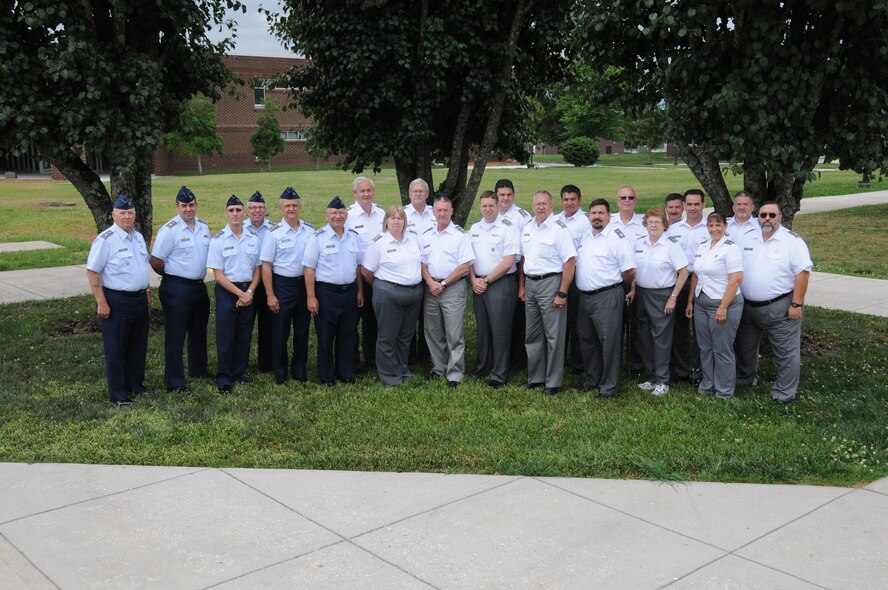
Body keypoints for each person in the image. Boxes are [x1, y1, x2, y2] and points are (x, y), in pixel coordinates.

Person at [734, 202, 813, 403]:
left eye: (771, 215)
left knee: (786, 352)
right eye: (762, 215)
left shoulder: (792, 241)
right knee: (745, 347)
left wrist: (796, 304)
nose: (767, 218)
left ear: (779, 217)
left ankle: (784, 392)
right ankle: (746, 378)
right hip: (748, 306)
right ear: (757, 217)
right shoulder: (749, 237)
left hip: (779, 306)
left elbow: (803, 274)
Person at [86, 195, 151, 407]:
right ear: (113, 215)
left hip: (140, 299)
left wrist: (147, 292)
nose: (127, 216)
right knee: (117, 348)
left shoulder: (138, 237)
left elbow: (141, 267)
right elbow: (93, 273)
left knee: (137, 346)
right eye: (122, 213)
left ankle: (136, 385)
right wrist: (101, 302)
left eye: (130, 212)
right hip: (117, 301)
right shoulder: (106, 240)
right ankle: (118, 393)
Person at [150, 186, 211, 393]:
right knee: (176, 335)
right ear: (177, 206)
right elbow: (156, 260)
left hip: (198, 287)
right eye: (184, 206)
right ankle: (174, 381)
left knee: (198, 331)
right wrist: (173, 275)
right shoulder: (169, 230)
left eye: (191, 205)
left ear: (196, 205)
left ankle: (199, 370)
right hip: (177, 287)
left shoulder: (203, 227)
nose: (188, 209)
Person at [574, 198, 636, 398]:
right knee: (588, 341)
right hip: (585, 297)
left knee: (609, 343)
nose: (597, 217)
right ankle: (593, 379)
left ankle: (608, 386)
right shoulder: (586, 236)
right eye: (593, 213)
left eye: (601, 213)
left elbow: (629, 270)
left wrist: (619, 288)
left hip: (608, 296)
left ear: (609, 216)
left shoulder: (617, 238)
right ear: (589, 216)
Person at [519, 190, 577, 396]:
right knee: (532, 334)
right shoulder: (527, 228)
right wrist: (523, 286)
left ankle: (553, 382)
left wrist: (562, 292)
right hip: (531, 284)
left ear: (552, 207)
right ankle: (536, 377)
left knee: (554, 335)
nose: (541, 207)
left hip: (551, 283)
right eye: (537, 204)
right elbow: (525, 260)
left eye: (545, 204)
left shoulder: (559, 230)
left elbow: (570, 262)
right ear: (532, 206)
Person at [303, 196, 364, 385]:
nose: (337, 216)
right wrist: (311, 297)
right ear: (327, 215)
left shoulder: (353, 236)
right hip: (326, 292)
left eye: (341, 213)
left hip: (349, 292)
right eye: (334, 213)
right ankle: (326, 375)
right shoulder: (317, 237)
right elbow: (309, 269)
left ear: (346, 216)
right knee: (325, 335)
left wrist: (360, 291)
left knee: (347, 334)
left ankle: (345, 373)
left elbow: (358, 267)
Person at [628, 208, 688, 396]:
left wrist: (673, 297)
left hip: (662, 295)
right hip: (642, 294)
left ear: (664, 225)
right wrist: (632, 289)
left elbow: (684, 272)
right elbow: (634, 270)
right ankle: (652, 376)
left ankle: (663, 380)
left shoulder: (671, 246)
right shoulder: (639, 243)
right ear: (645, 224)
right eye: (650, 222)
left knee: (661, 339)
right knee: (644, 336)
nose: (653, 225)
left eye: (657, 222)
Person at [361, 206, 424, 385]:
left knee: (406, 336)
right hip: (389, 294)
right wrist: (383, 286)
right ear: (386, 222)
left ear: (405, 221)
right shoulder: (378, 243)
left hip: (413, 293)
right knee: (388, 336)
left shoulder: (413, 239)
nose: (396, 221)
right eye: (392, 218)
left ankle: (402, 368)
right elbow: (366, 271)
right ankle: (389, 376)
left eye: (400, 218)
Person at [685, 212, 744, 399]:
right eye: (711, 225)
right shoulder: (703, 247)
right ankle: (707, 384)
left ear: (725, 227)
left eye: (718, 225)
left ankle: (724, 390)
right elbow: (695, 275)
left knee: (722, 348)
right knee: (705, 347)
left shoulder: (731, 248)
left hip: (723, 303)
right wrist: (690, 301)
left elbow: (736, 279)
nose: (714, 229)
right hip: (702, 303)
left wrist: (724, 306)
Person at [207, 195, 261, 394]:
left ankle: (239, 373)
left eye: (239, 210)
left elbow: (258, 269)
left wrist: (249, 291)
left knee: (243, 335)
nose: (235, 214)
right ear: (226, 213)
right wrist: (240, 294)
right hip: (228, 292)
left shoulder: (253, 239)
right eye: (231, 210)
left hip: (248, 290)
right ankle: (224, 377)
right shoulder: (218, 240)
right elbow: (218, 276)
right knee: (226, 336)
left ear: (244, 213)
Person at [260, 187, 314, 384]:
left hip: (304, 286)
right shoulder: (273, 233)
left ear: (299, 207)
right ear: (280, 208)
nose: (291, 209)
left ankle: (299, 372)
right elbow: (266, 266)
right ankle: (280, 373)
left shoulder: (310, 231)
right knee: (280, 332)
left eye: (294, 205)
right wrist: (270, 295)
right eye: (287, 206)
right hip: (282, 286)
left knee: (302, 331)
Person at [421, 197, 474, 388]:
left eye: (445, 210)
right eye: (438, 210)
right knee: (433, 331)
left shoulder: (461, 235)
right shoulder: (426, 234)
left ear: (452, 212)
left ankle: (455, 373)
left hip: (452, 288)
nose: (442, 214)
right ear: (433, 212)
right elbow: (422, 263)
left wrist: (442, 284)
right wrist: (429, 282)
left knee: (454, 333)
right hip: (431, 287)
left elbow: (464, 267)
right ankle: (438, 367)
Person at [469, 191, 519, 388]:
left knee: (500, 330)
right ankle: (483, 368)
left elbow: (508, 262)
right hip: (478, 284)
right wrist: (473, 279)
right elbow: (469, 258)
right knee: (483, 329)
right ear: (480, 207)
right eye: (484, 206)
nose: (488, 209)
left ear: (498, 206)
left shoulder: (508, 228)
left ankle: (499, 374)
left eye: (491, 205)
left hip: (499, 283)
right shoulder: (474, 228)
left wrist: (486, 280)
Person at [668, 189, 709, 384]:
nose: (693, 208)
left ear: (704, 205)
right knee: (679, 328)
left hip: (703, 282)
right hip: (680, 281)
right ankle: (682, 370)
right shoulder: (674, 230)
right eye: (689, 204)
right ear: (684, 205)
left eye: (696, 204)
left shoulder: (710, 229)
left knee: (701, 330)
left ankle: (699, 372)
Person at [345, 176, 385, 371]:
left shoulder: (381, 213)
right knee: (353, 320)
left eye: (369, 190)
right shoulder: (348, 216)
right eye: (362, 191)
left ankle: (372, 360)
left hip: (377, 275)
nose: (366, 194)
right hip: (356, 274)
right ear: (355, 193)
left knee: (373, 319)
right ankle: (353, 362)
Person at [611, 185, 647, 375]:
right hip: (614, 283)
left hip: (638, 282)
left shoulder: (643, 224)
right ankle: (615, 363)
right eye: (623, 197)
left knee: (637, 325)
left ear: (636, 201)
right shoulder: (610, 223)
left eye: (630, 198)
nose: (627, 201)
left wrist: (632, 285)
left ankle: (635, 365)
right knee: (615, 325)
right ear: (617, 201)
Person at [495, 178, 531, 370]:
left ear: (514, 195)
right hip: (495, 270)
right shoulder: (492, 213)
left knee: (517, 317)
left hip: (516, 269)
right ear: (496, 196)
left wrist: (522, 283)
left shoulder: (522, 217)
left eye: (509, 194)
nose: (505, 198)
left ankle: (516, 361)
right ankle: (499, 357)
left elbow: (525, 253)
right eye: (502, 195)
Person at [556, 184, 591, 374]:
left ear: (579, 200)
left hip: (577, 275)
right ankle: (559, 360)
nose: (569, 203)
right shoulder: (555, 220)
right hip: (557, 275)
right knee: (559, 319)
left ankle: (578, 363)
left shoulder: (585, 222)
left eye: (573, 199)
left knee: (576, 321)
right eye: (566, 200)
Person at [403, 178, 435, 363]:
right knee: (409, 317)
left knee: (428, 317)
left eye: (421, 191)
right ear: (409, 194)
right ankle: (409, 356)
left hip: (432, 271)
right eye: (414, 191)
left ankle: (426, 355)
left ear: (427, 194)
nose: (418, 194)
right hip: (411, 272)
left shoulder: (435, 213)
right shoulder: (403, 214)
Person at [245, 191, 276, 373]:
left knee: (268, 325)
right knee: (245, 325)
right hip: (246, 284)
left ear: (266, 210)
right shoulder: (240, 227)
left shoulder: (274, 229)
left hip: (268, 284)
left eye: (260, 208)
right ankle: (242, 361)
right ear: (247, 211)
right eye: (253, 208)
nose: (257, 211)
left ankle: (267, 364)